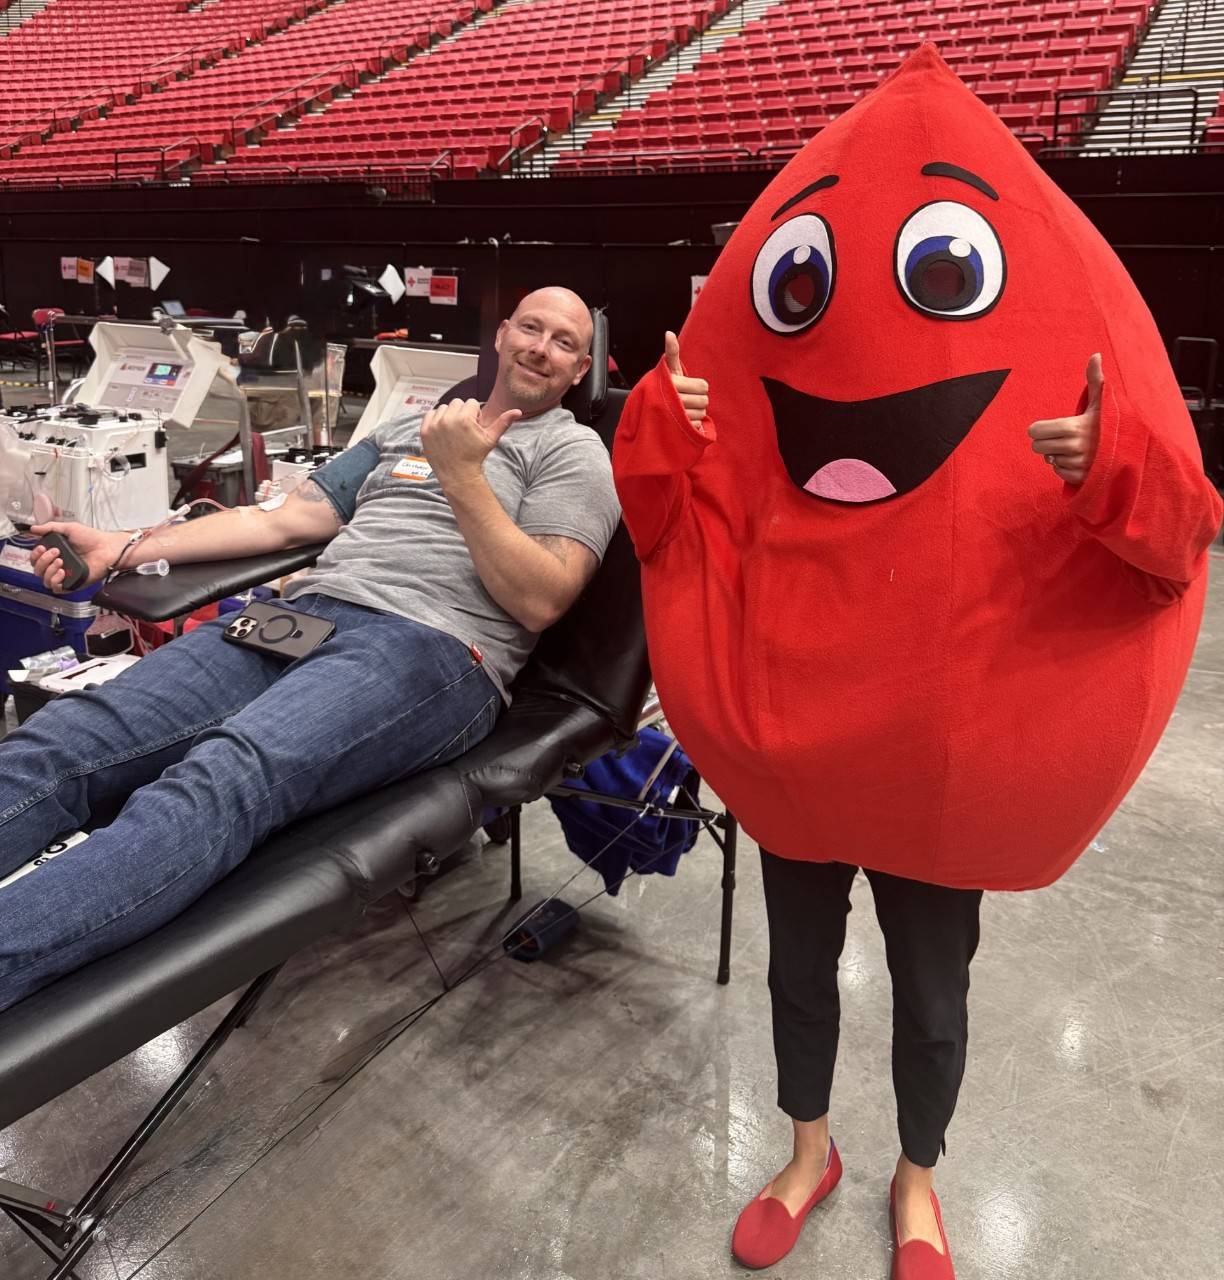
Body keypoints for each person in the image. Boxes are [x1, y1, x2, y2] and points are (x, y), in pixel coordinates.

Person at [0, 286, 619, 1013]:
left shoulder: (573, 452)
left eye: (564, 343)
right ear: (504, 333)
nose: (541, 349)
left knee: (224, 776)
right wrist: (124, 547)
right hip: (303, 614)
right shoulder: (409, 427)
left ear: (580, 370)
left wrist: (462, 474)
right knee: (69, 738)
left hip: (433, 644)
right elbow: (285, 519)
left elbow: (542, 597)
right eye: (532, 329)